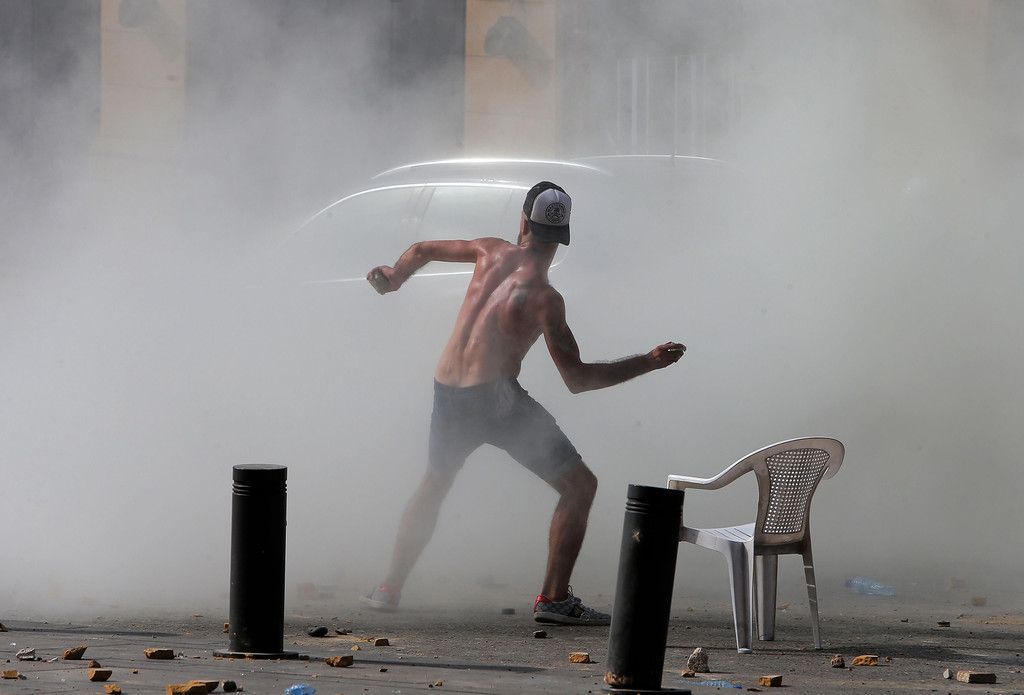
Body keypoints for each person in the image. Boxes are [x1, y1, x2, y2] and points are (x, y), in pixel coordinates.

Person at [363, 181, 685, 625]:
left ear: (522, 221)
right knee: (579, 486)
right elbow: (577, 379)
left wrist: (394, 277)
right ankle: (554, 599)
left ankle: (389, 588)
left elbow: (420, 249)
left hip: (448, 390)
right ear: (564, 237)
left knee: (435, 482)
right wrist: (648, 362)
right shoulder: (545, 299)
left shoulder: (488, 250)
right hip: (495, 400)